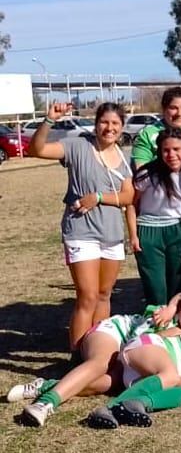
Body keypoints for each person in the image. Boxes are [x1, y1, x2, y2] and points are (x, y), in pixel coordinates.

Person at [29, 102, 134, 353]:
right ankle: (77, 356)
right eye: (104, 122)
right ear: (96, 123)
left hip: (111, 234)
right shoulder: (78, 145)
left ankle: (100, 352)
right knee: (86, 297)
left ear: (122, 127)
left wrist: (98, 197)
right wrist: (49, 120)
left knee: (104, 295)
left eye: (115, 124)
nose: (109, 128)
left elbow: (129, 196)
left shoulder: (122, 156)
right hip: (81, 232)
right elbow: (37, 149)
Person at [11, 291, 181, 427]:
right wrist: (172, 307)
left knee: (109, 383)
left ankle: (47, 385)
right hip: (114, 333)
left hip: (127, 356)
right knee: (101, 363)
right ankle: (45, 403)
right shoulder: (164, 314)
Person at [126, 128, 181, 305]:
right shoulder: (148, 174)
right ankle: (155, 328)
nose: (172, 154)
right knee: (156, 292)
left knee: (178, 290)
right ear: (159, 152)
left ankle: (177, 328)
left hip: (178, 232)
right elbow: (131, 204)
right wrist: (133, 236)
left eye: (176, 149)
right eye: (166, 150)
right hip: (149, 232)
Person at [131, 86, 181, 173]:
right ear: (164, 109)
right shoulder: (147, 135)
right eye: (173, 108)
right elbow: (141, 173)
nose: (179, 113)